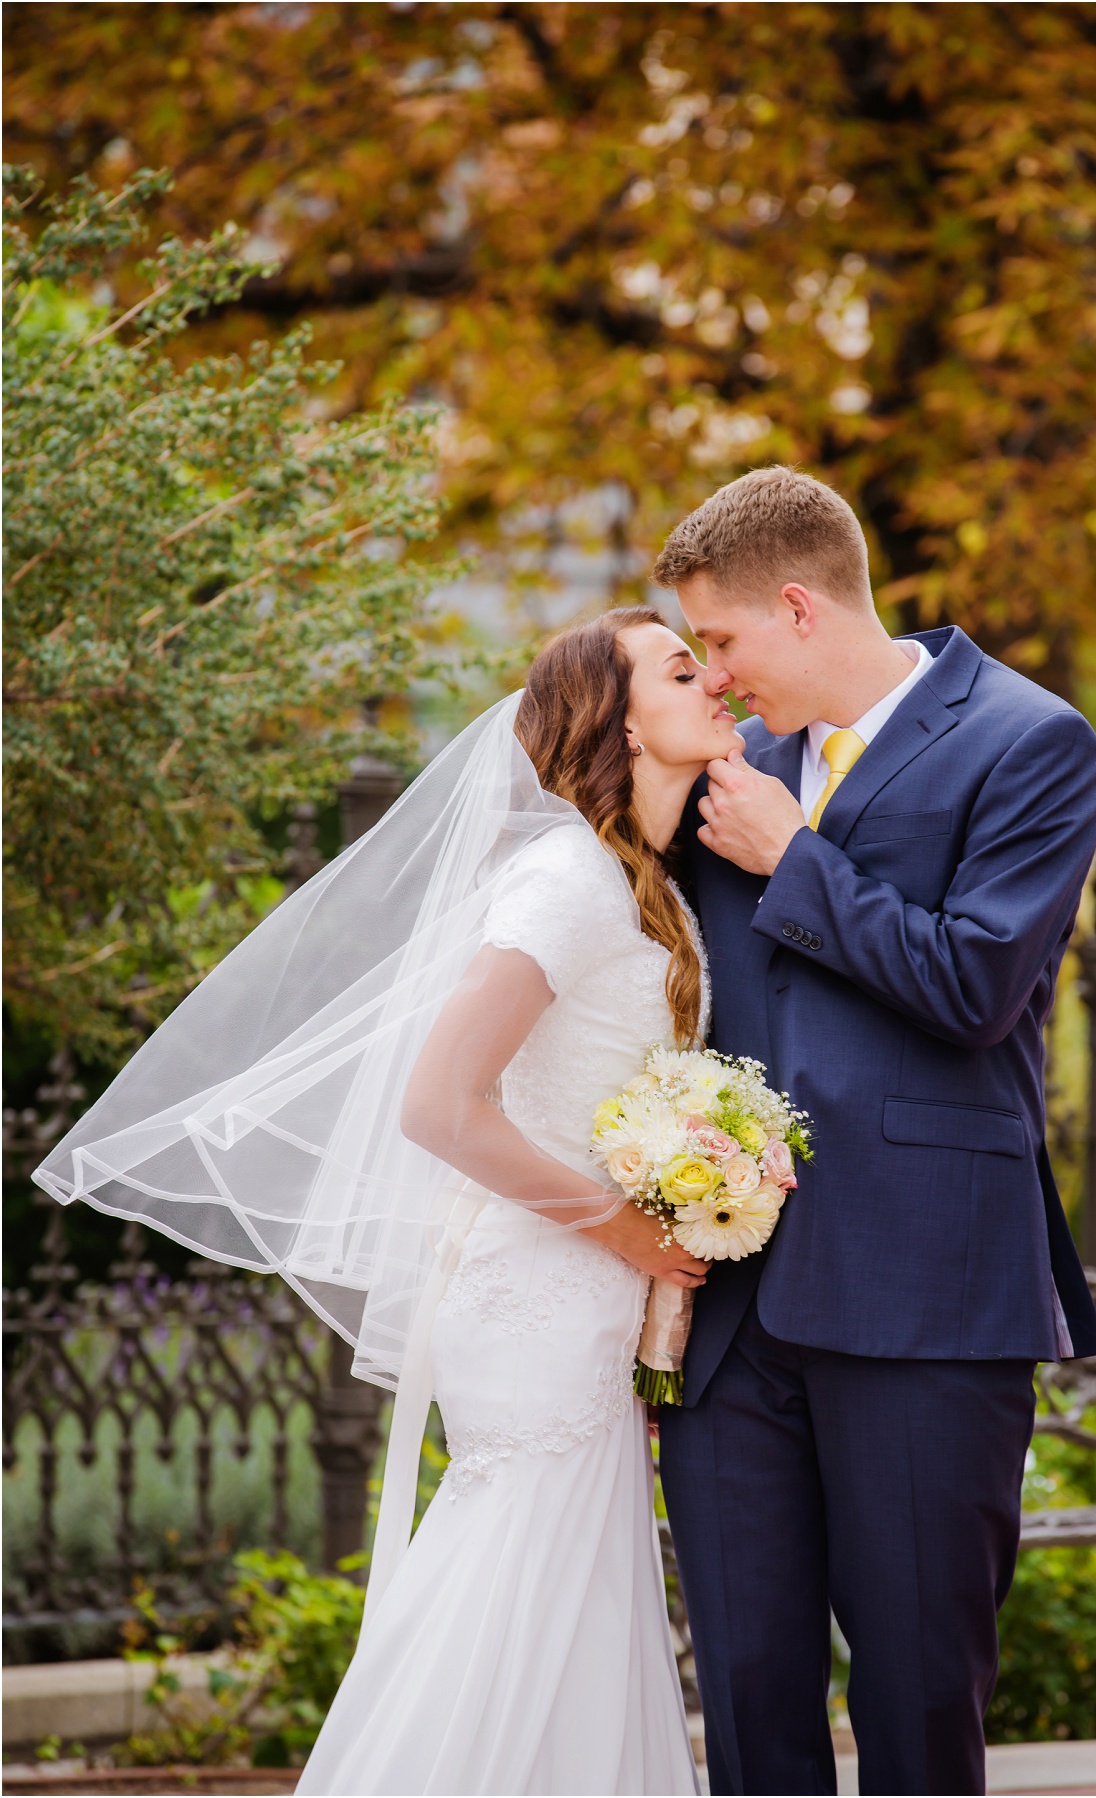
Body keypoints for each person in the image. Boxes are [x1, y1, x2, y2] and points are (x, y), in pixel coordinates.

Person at [36, 607, 743, 1797]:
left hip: (590, 1300)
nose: (716, 682)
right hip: (536, 1298)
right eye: (684, 668)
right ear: (617, 717)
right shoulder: (565, 878)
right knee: (515, 1592)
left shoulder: (651, 887)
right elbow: (441, 1106)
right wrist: (626, 1229)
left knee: (574, 1602)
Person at [652, 465, 1096, 1798]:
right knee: (745, 1696)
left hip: (925, 1289)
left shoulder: (1031, 742)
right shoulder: (730, 766)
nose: (718, 681)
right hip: (733, 1311)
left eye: (722, 643)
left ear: (797, 607)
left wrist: (797, 859)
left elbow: (976, 987)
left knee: (917, 1695)